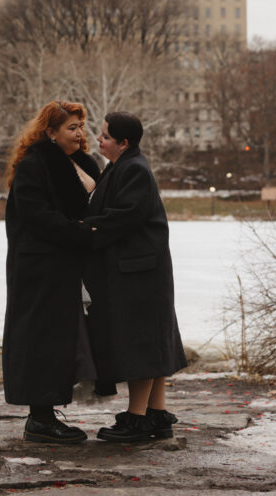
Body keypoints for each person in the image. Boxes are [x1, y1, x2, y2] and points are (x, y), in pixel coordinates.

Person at [83, 110, 186, 442]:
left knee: (141, 344)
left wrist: (84, 229)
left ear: (123, 142)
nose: (99, 140)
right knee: (151, 342)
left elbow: (125, 217)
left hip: (140, 273)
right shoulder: (122, 166)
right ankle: (156, 413)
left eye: (105, 136)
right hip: (142, 270)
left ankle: (137, 419)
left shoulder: (134, 169)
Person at [2, 100, 100, 444]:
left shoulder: (79, 162)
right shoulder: (35, 165)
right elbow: (36, 215)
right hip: (40, 267)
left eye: (81, 126)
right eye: (71, 127)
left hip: (67, 262)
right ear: (51, 132)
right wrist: (79, 231)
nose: (79, 133)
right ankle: (40, 417)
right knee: (41, 337)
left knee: (62, 338)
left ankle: (47, 412)